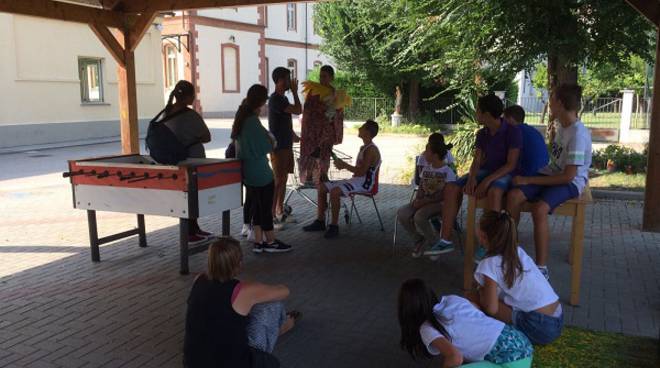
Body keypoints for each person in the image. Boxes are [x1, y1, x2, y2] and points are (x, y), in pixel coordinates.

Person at [506, 84, 592, 280]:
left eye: (551, 99)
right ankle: (509, 249)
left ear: (560, 103)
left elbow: (568, 176)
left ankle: (542, 267)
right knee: (513, 196)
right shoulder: (562, 126)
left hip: (570, 182)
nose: (548, 103)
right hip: (552, 175)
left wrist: (529, 179)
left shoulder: (578, 134)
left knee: (539, 209)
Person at [183, 237, 301, 368]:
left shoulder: (198, 280)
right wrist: (256, 289)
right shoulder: (243, 290)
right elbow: (284, 291)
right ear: (238, 263)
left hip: (192, 364)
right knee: (272, 306)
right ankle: (282, 326)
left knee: (237, 313)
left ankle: (281, 327)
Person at [437, 95, 522, 257]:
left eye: (478, 111)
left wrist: (487, 181)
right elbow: (477, 160)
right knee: (451, 187)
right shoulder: (482, 133)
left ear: (487, 114)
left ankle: (491, 244)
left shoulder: (512, 131)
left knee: (494, 192)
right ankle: (445, 239)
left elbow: (511, 164)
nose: (476, 113)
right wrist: (471, 178)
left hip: (506, 172)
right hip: (487, 170)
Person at [473, 211, 563, 345]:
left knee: (478, 297)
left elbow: (491, 308)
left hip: (540, 327)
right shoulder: (518, 251)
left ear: (483, 237)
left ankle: (481, 330)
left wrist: (481, 294)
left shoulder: (489, 264)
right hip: (558, 318)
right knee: (496, 297)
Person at [398, 279, 533, 368]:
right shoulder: (451, 299)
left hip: (513, 361)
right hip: (522, 342)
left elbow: (455, 358)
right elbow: (476, 311)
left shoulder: (426, 328)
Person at [232, 84, 292, 253]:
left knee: (257, 208)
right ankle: (271, 241)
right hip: (260, 171)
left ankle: (259, 242)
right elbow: (267, 144)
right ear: (261, 100)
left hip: (248, 172)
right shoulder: (251, 121)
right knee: (265, 208)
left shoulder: (241, 118)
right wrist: (271, 139)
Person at [302, 120, 381, 239]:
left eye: (362, 127)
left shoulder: (371, 150)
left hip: (365, 184)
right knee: (322, 187)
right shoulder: (364, 147)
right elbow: (358, 172)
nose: (359, 128)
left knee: (335, 192)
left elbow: (361, 172)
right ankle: (320, 221)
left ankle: (334, 226)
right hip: (357, 180)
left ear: (368, 133)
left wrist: (344, 165)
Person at [162, 80, 212, 244]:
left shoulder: (166, 113)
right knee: (193, 196)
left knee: (184, 195)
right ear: (189, 96)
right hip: (192, 160)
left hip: (174, 161)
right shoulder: (190, 115)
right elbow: (207, 137)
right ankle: (190, 231)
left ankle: (194, 228)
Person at [397, 137, 456, 258]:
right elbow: (421, 188)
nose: (424, 154)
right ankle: (418, 239)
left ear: (434, 155)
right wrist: (418, 199)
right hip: (424, 202)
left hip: (440, 204)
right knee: (402, 213)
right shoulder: (426, 169)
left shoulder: (448, 172)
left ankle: (434, 243)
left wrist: (424, 202)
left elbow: (445, 195)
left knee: (419, 216)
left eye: (426, 151)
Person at [298, 65, 348, 184]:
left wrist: (336, 111)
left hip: (327, 132)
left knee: (325, 155)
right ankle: (309, 177)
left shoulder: (336, 93)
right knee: (312, 153)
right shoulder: (313, 91)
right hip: (313, 132)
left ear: (331, 78)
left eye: (324, 76)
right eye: (320, 76)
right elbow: (308, 109)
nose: (321, 79)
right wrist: (324, 109)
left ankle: (323, 176)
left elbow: (339, 112)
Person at [269, 67, 302, 229]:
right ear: (280, 81)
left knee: (283, 180)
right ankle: (271, 216)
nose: (290, 82)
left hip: (286, 145)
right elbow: (298, 110)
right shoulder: (276, 99)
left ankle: (280, 211)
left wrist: (294, 135)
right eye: (288, 79)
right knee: (278, 180)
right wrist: (295, 92)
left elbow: (283, 121)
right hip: (278, 147)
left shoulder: (282, 99)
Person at [503, 105, 549, 177]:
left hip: (530, 174)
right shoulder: (533, 130)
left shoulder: (514, 132)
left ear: (510, 119)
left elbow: (508, 161)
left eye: (504, 119)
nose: (502, 122)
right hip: (545, 171)